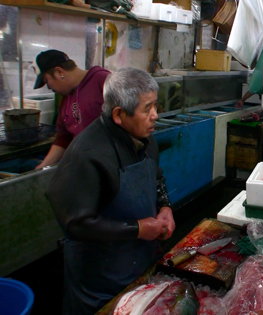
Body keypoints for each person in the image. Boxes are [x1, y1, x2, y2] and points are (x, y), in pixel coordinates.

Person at [45, 68, 175, 314]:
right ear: (118, 114)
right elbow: (77, 223)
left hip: (139, 263)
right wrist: (138, 229)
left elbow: (156, 175)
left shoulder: (144, 137)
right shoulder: (86, 154)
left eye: (155, 106)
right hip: (99, 280)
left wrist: (165, 206)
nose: (155, 115)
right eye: (147, 109)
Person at [33, 49, 110, 169]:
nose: (49, 87)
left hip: (107, 165)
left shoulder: (103, 81)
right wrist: (43, 166)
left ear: (59, 72)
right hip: (84, 165)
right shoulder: (65, 99)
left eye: (47, 81)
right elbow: (64, 137)